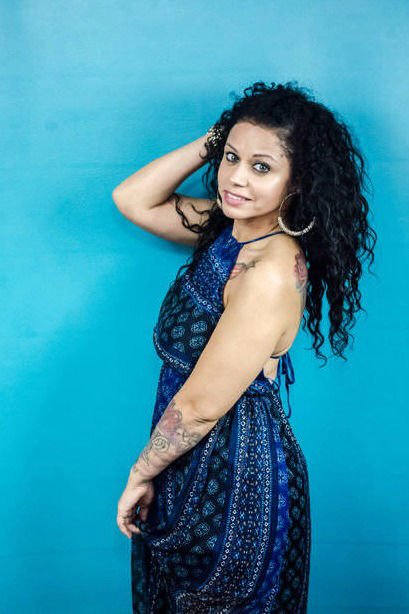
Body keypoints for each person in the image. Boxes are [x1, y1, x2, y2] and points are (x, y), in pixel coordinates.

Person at [112, 80, 376, 613]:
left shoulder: (268, 270)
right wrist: (218, 138)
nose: (235, 178)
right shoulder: (228, 231)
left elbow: (199, 406)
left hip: (235, 481)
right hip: (186, 463)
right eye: (231, 158)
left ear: (297, 181)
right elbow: (133, 199)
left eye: (262, 167)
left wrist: (140, 474)